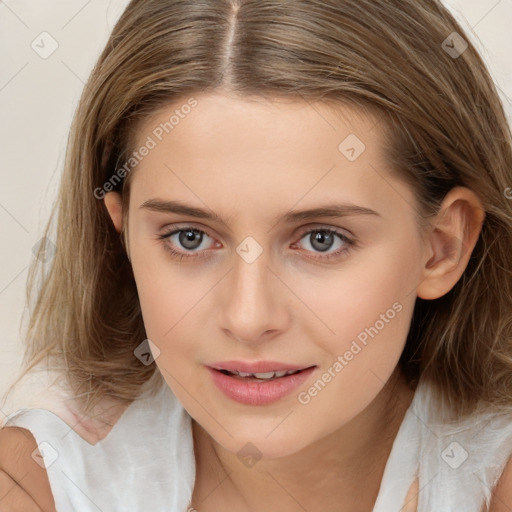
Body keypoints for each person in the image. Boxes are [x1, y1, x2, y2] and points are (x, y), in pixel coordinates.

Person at [1, 0, 512, 510]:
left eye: (321, 240)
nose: (248, 319)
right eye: (190, 238)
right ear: (123, 236)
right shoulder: (33, 485)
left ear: (441, 247)